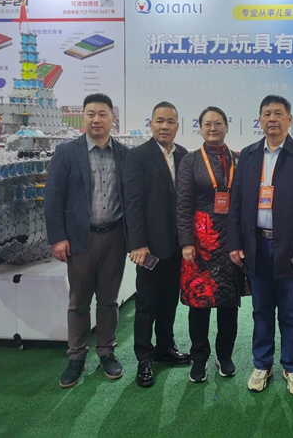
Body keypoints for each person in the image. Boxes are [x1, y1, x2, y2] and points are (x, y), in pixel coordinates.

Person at [227, 94, 293, 396]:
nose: (272, 119)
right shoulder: (248, 155)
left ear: (290, 119)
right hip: (256, 245)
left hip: (291, 249)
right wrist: (235, 242)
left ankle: (292, 366)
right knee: (261, 309)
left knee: (291, 310)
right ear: (259, 120)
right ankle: (262, 364)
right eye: (267, 114)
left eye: (278, 113)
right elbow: (236, 202)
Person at [44, 93, 128, 389]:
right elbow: (53, 198)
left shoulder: (124, 154)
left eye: (102, 114)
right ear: (83, 117)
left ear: (112, 118)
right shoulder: (67, 152)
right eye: (91, 114)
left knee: (109, 300)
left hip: (115, 238)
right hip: (81, 240)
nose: (96, 119)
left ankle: (106, 351)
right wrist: (58, 237)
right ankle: (77, 356)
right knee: (79, 301)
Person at [123, 101, 191, 388]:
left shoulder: (185, 155)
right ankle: (144, 358)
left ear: (177, 126)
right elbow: (132, 204)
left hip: (177, 246)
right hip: (149, 248)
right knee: (146, 303)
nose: (165, 126)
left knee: (169, 300)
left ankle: (165, 347)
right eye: (159, 121)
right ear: (150, 124)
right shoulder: (138, 156)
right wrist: (138, 244)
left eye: (170, 121)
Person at [176, 106, 243, 383]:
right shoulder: (190, 161)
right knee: (199, 303)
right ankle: (199, 357)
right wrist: (186, 242)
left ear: (226, 126)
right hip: (199, 243)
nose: (213, 128)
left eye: (218, 123)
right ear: (200, 129)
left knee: (229, 303)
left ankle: (224, 355)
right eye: (207, 124)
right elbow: (183, 205)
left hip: (231, 240)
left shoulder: (238, 159)